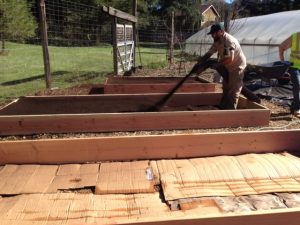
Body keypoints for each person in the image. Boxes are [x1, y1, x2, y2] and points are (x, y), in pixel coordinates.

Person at [198, 23, 247, 109]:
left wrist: (217, 65)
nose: (213, 36)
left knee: (233, 91)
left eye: (214, 33)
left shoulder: (229, 41)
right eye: (212, 34)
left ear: (221, 32)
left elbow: (230, 59)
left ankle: (230, 113)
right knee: (226, 88)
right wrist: (200, 62)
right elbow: (210, 53)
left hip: (237, 67)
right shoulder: (217, 40)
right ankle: (222, 109)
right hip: (228, 67)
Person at [279, 32, 300, 117]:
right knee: (297, 85)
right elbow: (281, 47)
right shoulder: (295, 37)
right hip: (294, 67)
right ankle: (297, 109)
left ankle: (293, 107)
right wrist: (282, 61)